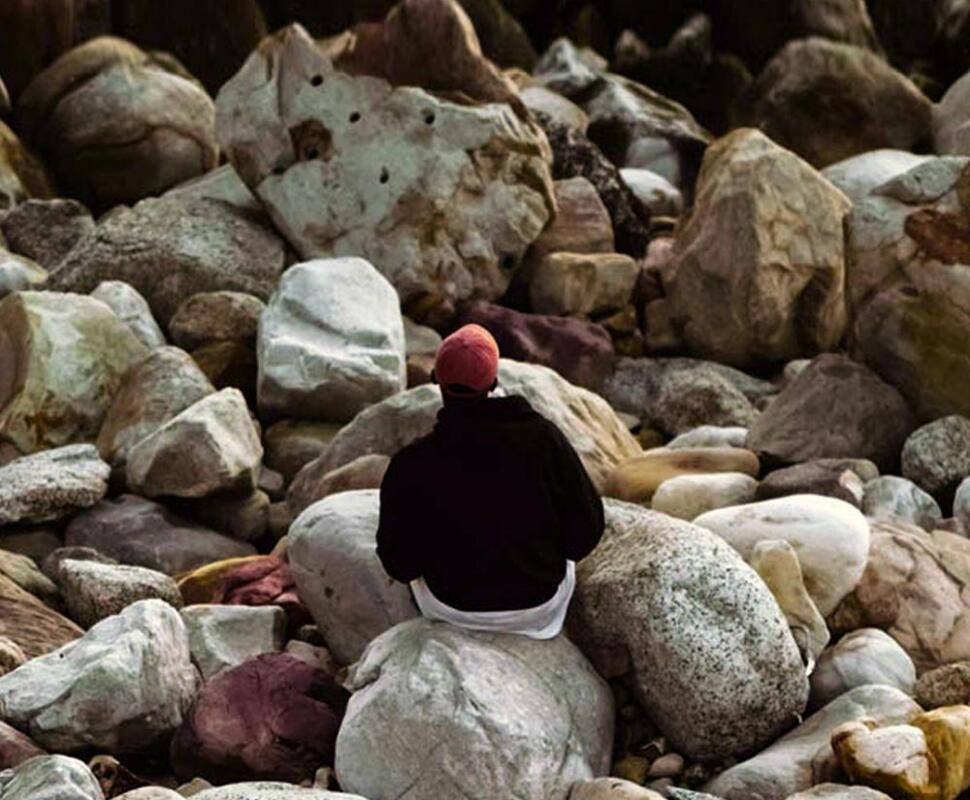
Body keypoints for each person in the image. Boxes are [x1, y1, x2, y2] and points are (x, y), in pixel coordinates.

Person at [376, 323, 604, 639]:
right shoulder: (542, 438)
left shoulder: (411, 462)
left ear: (437, 383)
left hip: (451, 608)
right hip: (537, 605)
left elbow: (399, 564)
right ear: (493, 382)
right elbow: (586, 533)